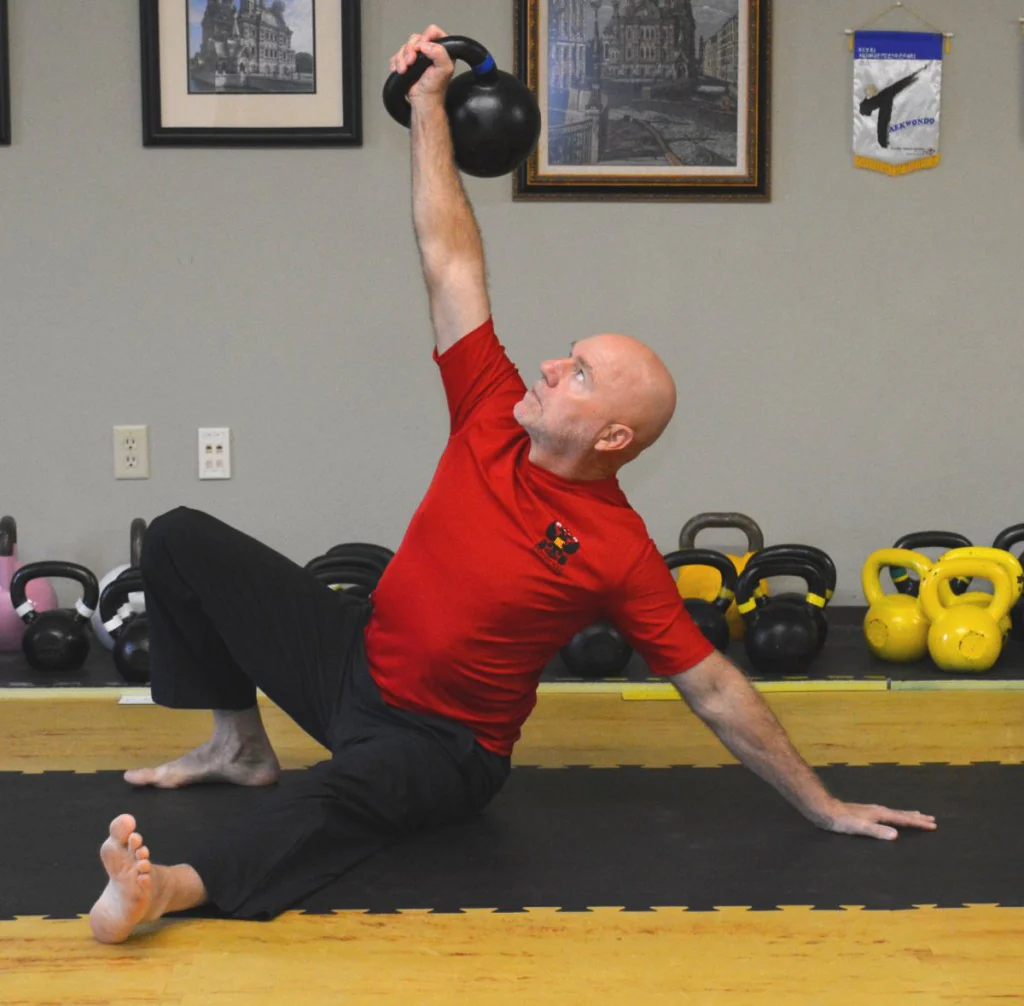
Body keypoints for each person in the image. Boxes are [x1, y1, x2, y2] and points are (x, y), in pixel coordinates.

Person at [88, 26, 936, 945]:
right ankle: (237, 746)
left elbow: (717, 691)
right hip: (355, 662)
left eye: (575, 372)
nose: (546, 366)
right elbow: (449, 256)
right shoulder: (490, 408)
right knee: (177, 534)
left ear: (612, 435)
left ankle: (169, 888)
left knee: (345, 799)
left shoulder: (614, 549)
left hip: (443, 750)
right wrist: (425, 112)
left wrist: (823, 805)